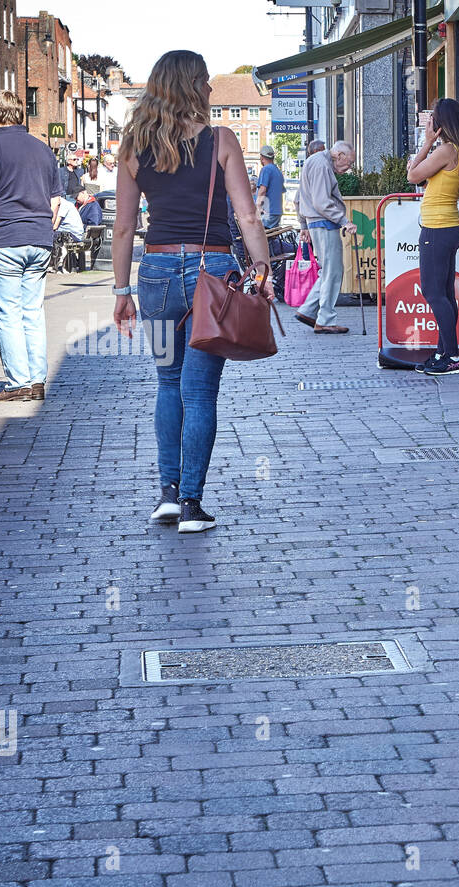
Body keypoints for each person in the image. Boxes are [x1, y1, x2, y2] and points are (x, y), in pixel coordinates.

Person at [112, 49, 272, 535]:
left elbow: (122, 229)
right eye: (204, 81)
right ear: (191, 85)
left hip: (156, 273)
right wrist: (262, 267)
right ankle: (191, 504)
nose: (209, 89)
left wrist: (121, 291)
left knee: (167, 384)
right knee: (199, 391)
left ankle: (165, 494)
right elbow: (247, 215)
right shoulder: (221, 140)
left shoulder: (133, 147)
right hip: (212, 272)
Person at [0, 91, 64, 403]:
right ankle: (37, 381)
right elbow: (56, 201)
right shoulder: (42, 148)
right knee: (32, 312)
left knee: (7, 312)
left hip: (4, 239)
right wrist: (42, 229)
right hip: (39, 240)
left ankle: (18, 383)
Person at [407, 98, 459, 376]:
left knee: (433, 292)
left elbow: (413, 175)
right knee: (445, 294)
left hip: (438, 229)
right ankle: (443, 351)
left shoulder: (446, 150)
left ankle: (451, 356)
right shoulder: (458, 149)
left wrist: (426, 142)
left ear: (441, 122)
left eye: (433, 118)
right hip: (447, 227)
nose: (430, 122)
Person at [293, 138, 354, 334]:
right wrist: (344, 221)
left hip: (316, 222)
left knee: (329, 270)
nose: (349, 167)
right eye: (349, 162)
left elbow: (299, 197)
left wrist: (303, 224)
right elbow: (321, 202)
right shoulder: (321, 164)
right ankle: (325, 319)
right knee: (333, 271)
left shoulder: (316, 161)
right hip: (323, 222)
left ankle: (309, 310)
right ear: (340, 155)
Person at [256, 144, 284, 230]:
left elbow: (263, 190)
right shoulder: (277, 171)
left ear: (261, 157)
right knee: (271, 239)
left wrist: (258, 206)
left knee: (261, 238)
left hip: (267, 211)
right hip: (276, 211)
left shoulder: (266, 169)